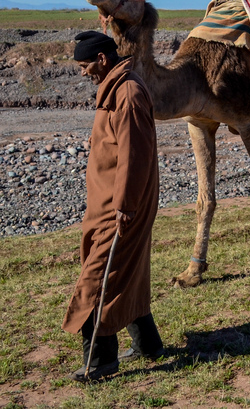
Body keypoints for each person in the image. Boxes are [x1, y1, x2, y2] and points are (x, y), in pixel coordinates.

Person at [63, 31, 163, 382]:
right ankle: (149, 345)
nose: (82, 72)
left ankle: (101, 360)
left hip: (120, 206)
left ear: (102, 60)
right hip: (107, 203)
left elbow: (135, 156)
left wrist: (125, 204)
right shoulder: (115, 88)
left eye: (84, 64)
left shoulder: (129, 92)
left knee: (98, 279)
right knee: (125, 271)